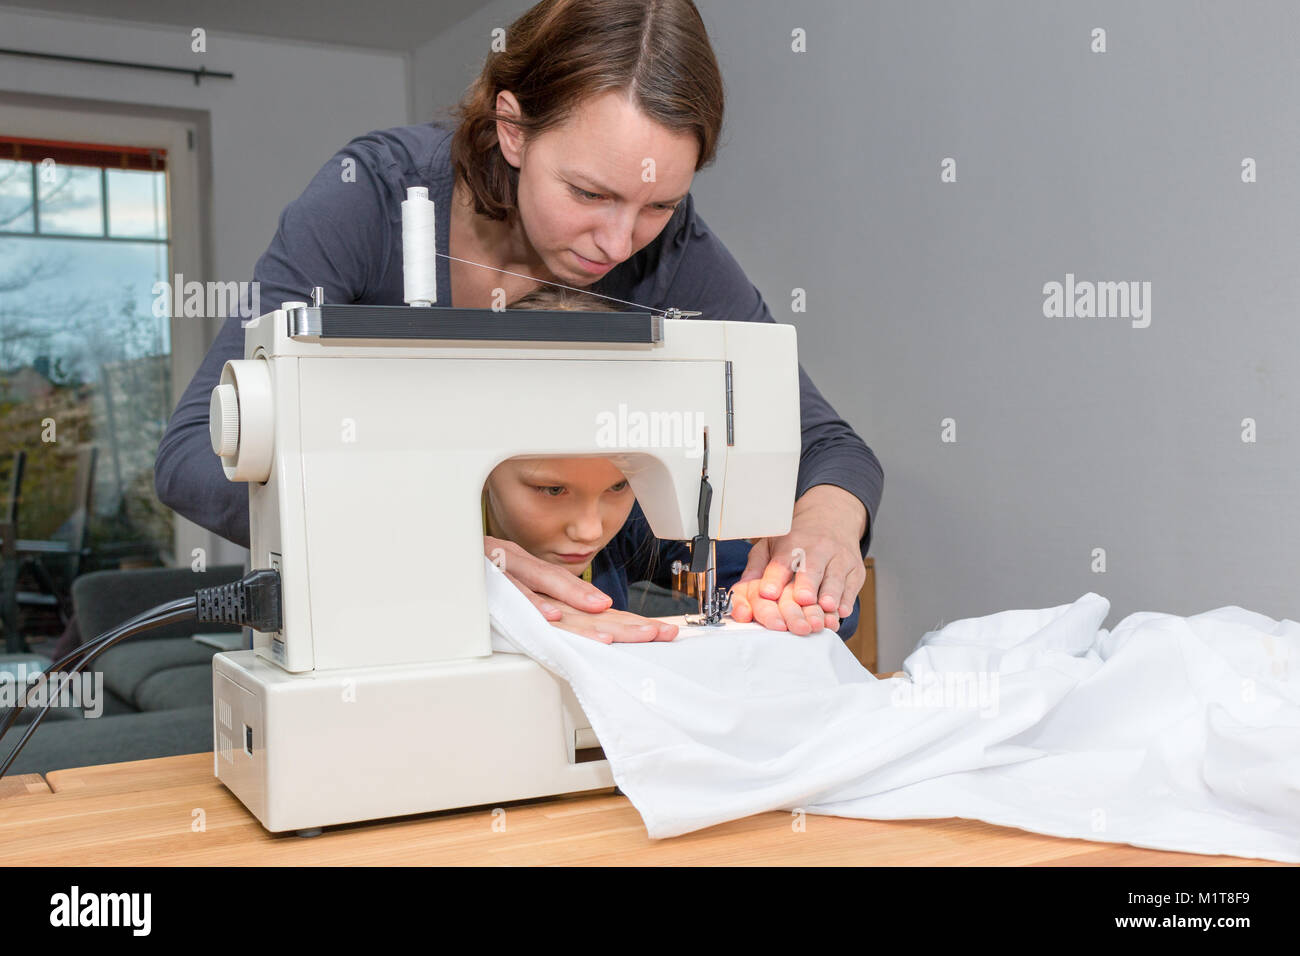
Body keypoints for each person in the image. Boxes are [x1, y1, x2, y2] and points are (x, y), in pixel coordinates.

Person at [154, 0, 882, 645]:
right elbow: (193, 454)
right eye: (589, 192)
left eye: (657, 205)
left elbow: (827, 442)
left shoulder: (672, 250)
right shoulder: (370, 203)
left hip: (575, 598)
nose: (620, 240)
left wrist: (822, 528)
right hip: (377, 599)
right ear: (512, 129)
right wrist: (438, 551)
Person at [483, 285, 861, 644]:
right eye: (552, 490)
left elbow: (817, 600)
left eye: (619, 486)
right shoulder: (436, 565)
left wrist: (792, 593)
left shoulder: (640, 524)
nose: (589, 529)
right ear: (481, 466)